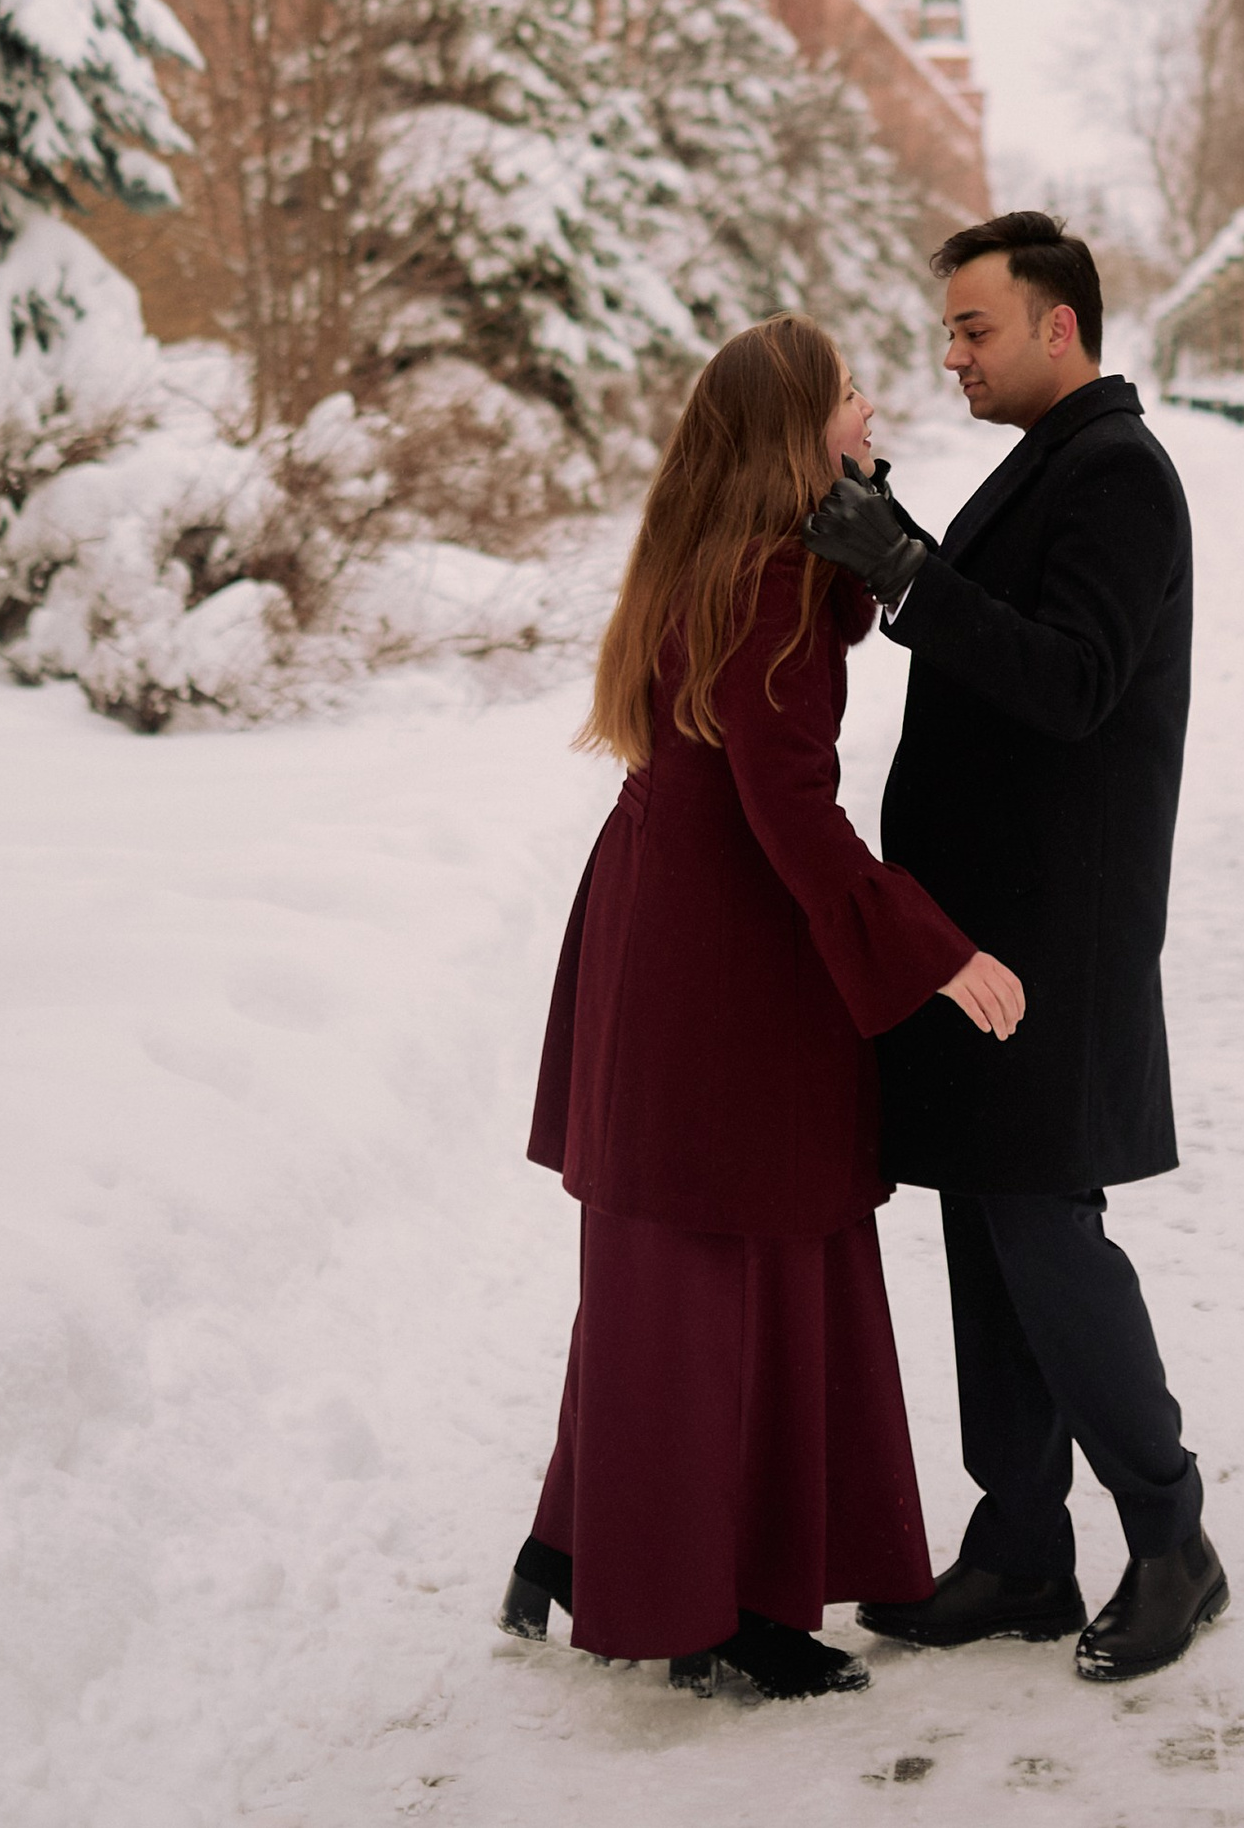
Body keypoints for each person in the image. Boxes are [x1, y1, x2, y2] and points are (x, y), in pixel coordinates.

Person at [502, 312, 1027, 1701]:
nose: (874, 409)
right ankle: (716, 1603)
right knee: (732, 1262)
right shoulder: (773, 586)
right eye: (852, 396)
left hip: (662, 916)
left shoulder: (717, 555)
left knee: (662, 1254)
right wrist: (927, 946)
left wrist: (871, 518)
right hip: (723, 943)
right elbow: (793, 807)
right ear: (799, 431)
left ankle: (577, 1539)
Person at [799, 211, 1222, 1687]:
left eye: (976, 328)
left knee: (1046, 1227)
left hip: (1058, 931)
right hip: (986, 924)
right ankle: (1023, 1544)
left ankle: (1170, 1532)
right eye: (948, 332)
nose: (954, 354)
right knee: (986, 1221)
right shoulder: (1050, 462)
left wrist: (908, 568)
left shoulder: (1119, 474)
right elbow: (991, 614)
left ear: (1060, 325)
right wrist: (891, 530)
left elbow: (1072, 678)